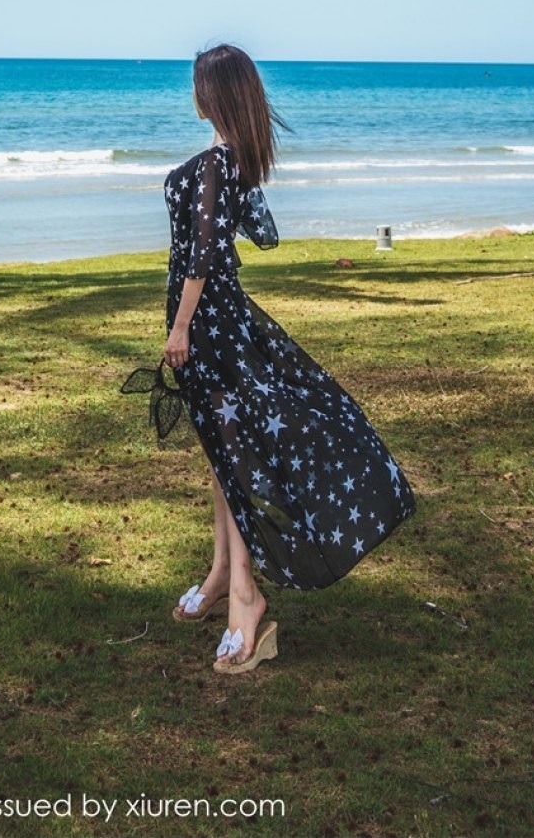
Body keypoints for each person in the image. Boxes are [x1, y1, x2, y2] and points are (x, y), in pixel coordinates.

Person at [162, 44, 416, 675]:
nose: (192, 94)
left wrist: (180, 327)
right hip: (219, 325)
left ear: (212, 95)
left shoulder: (219, 165)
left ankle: (246, 597)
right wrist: (244, 178)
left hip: (209, 329)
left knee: (237, 454)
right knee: (220, 452)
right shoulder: (229, 166)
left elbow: (202, 256)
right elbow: (266, 236)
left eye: (199, 86)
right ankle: (223, 571)